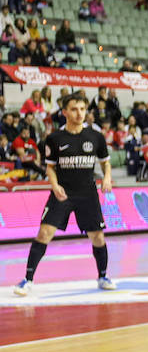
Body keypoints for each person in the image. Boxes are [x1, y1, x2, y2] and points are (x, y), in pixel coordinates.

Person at [13, 93, 116, 296]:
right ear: (65, 112)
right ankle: (28, 279)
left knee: (98, 237)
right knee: (44, 233)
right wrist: (54, 185)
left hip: (87, 193)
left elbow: (105, 161)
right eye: (74, 109)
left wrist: (106, 178)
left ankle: (103, 276)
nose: (79, 113)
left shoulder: (95, 137)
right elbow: (50, 168)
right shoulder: (54, 138)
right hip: (62, 193)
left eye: (82, 109)